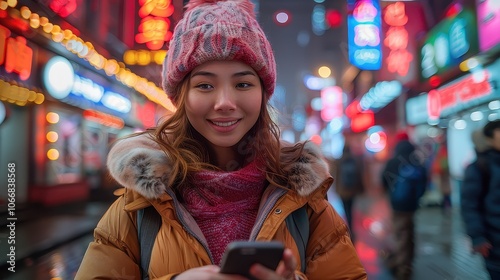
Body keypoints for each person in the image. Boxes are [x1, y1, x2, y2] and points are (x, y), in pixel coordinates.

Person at [75, 0, 367, 279]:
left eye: (242, 83)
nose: (225, 102)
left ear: (263, 95)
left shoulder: (305, 202)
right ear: (181, 98)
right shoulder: (139, 204)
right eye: (205, 85)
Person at [381, 136, 428, 280]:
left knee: (401, 234)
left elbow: (383, 181)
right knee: (409, 232)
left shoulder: (392, 163)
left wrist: (391, 194)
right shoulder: (417, 163)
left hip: (397, 205)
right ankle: (408, 261)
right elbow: (424, 183)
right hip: (412, 205)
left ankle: (403, 267)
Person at [461, 121, 500, 280]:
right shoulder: (479, 167)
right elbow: (470, 206)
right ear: (489, 139)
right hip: (495, 244)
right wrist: (477, 237)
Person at [332, 144, 364, 240]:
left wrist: (336, 189)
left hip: (343, 191)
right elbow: (359, 175)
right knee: (351, 208)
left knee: (346, 209)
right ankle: (351, 226)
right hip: (352, 190)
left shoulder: (339, 161)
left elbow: (335, 176)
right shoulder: (354, 160)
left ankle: (349, 228)